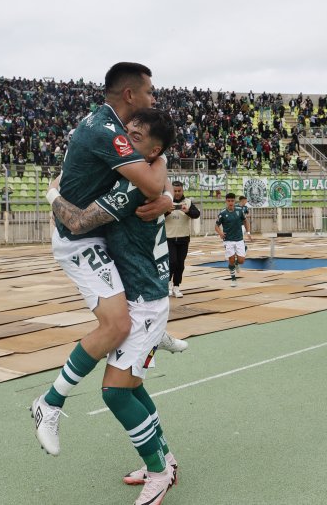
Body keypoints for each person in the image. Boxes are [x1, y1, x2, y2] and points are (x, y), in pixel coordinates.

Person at [30, 63, 173, 459]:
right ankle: (50, 403)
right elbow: (149, 180)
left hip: (95, 235)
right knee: (117, 325)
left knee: (126, 323)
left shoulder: (109, 125)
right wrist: (161, 188)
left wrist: (169, 197)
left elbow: (157, 176)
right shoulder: (106, 131)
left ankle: (154, 330)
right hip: (78, 239)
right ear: (130, 95)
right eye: (149, 91)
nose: (153, 98)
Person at [47, 108, 181, 505]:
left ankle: (158, 475)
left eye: (135, 137)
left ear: (153, 151)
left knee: (116, 393)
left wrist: (52, 194)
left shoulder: (132, 188)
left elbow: (79, 221)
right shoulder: (147, 175)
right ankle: (165, 460)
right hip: (146, 296)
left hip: (144, 302)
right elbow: (162, 175)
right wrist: (170, 196)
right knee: (133, 387)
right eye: (126, 132)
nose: (123, 141)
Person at [165, 180, 201, 298]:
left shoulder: (188, 202)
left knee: (180, 264)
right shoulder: (166, 201)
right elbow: (157, 215)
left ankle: (176, 286)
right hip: (169, 238)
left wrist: (188, 211)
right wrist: (166, 211)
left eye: (179, 191)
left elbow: (197, 214)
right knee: (172, 262)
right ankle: (168, 284)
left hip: (184, 238)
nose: (177, 193)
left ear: (182, 190)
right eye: (175, 191)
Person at [215, 193, 252, 287]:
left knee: (241, 260)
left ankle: (237, 264)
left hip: (239, 239)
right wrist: (220, 233)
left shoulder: (239, 211)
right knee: (230, 260)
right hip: (228, 240)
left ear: (234, 201)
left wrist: (248, 233)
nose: (230, 203)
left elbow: (245, 221)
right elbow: (216, 226)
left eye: (232, 201)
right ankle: (233, 279)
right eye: (228, 201)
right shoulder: (222, 213)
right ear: (226, 201)